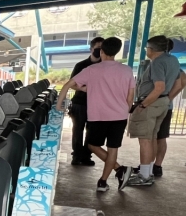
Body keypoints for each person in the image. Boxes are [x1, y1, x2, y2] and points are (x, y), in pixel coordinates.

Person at [56, 37, 133, 192]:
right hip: (119, 115)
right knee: (113, 149)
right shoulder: (127, 70)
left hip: (98, 115)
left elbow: (68, 85)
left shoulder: (92, 70)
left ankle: (116, 173)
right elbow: (130, 96)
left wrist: (59, 106)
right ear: (117, 52)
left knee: (92, 145)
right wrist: (126, 110)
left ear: (101, 51)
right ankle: (108, 178)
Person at [125, 35, 182, 187]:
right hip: (162, 103)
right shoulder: (173, 60)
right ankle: (148, 171)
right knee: (151, 138)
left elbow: (159, 87)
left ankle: (144, 176)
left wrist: (143, 105)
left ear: (152, 49)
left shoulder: (157, 62)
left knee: (145, 140)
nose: (146, 51)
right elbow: (181, 82)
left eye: (146, 48)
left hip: (151, 103)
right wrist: (166, 99)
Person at [68, 37, 104, 166]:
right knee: (78, 129)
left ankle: (86, 155)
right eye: (97, 48)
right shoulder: (81, 65)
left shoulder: (105, 67)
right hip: (80, 103)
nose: (100, 51)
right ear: (91, 49)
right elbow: (71, 84)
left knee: (92, 130)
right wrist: (84, 89)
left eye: (102, 49)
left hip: (97, 104)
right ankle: (76, 155)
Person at [153, 68, 186, 177]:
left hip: (156, 104)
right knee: (160, 137)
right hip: (164, 105)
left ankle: (150, 165)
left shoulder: (165, 63)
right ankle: (157, 166)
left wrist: (169, 97)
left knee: (153, 137)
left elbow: (185, 80)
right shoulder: (172, 64)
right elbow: (184, 80)